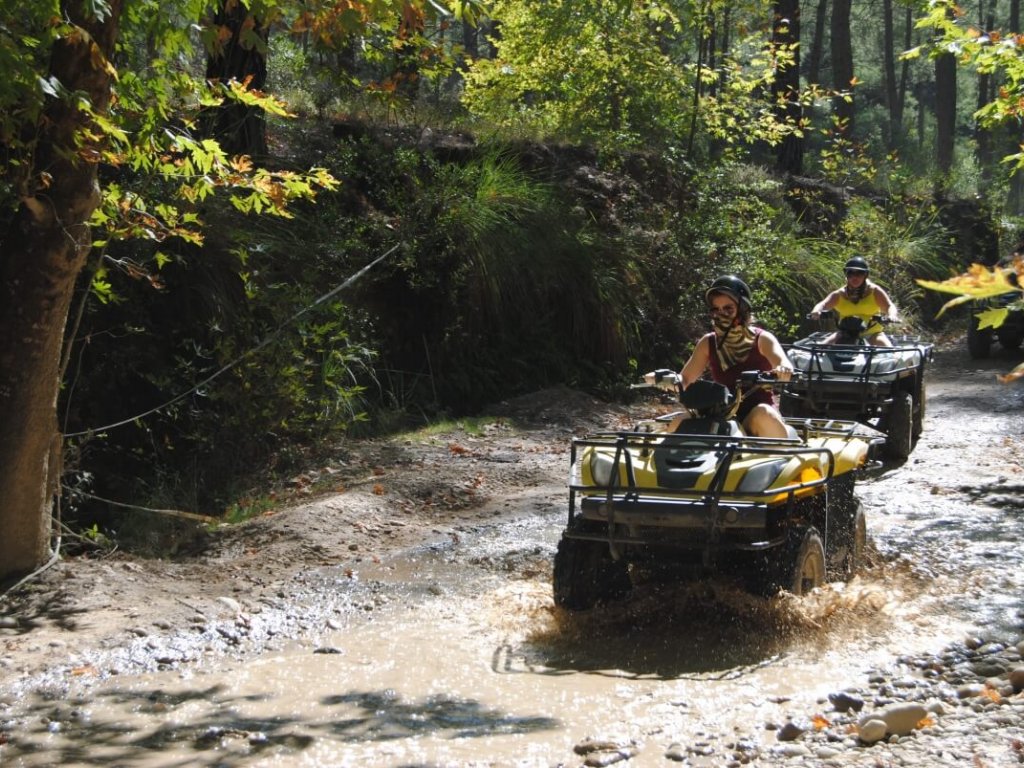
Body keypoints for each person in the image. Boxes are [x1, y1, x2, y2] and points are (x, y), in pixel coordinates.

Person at [674, 275, 794, 439]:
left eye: (728, 308)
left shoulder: (762, 339)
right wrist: (665, 378)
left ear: (742, 308)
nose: (721, 313)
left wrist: (783, 368)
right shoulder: (708, 342)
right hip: (720, 413)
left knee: (764, 415)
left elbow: (782, 361)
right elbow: (685, 379)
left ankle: (781, 456)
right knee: (678, 422)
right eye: (716, 309)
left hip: (757, 411)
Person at [809, 256, 899, 346]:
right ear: (846, 275)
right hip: (845, 333)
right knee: (819, 349)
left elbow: (889, 306)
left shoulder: (874, 291)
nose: (855, 277)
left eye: (859, 273)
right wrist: (816, 311)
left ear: (865, 275)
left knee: (890, 352)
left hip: (872, 334)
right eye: (850, 273)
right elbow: (823, 304)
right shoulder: (840, 294)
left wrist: (892, 315)